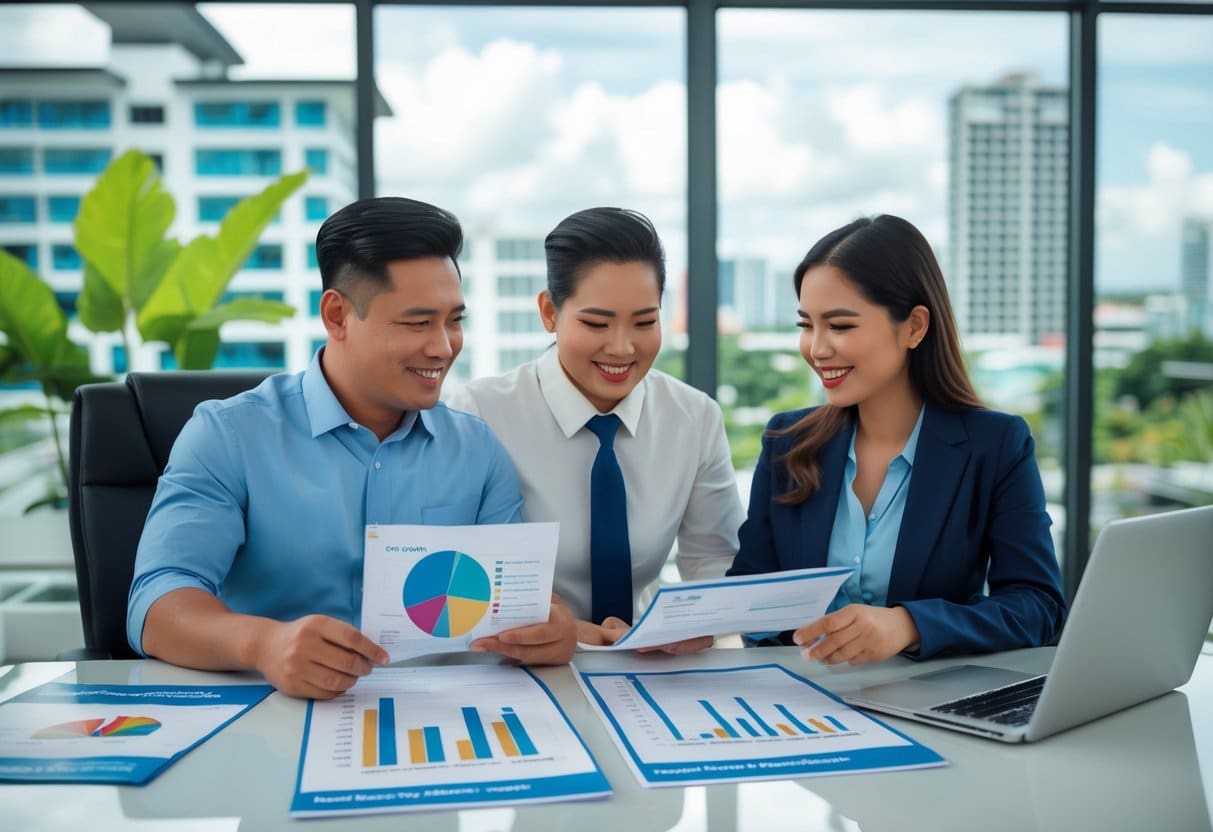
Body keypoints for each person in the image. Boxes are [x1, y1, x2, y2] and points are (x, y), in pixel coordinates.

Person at [128, 197, 576, 699]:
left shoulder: (477, 449)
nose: (443, 347)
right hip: (273, 718)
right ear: (338, 315)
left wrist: (547, 631)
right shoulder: (229, 436)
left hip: (436, 717)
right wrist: (263, 644)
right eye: (417, 322)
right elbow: (156, 604)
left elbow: (512, 609)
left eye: (454, 320)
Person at [727, 214, 1066, 664]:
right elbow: (750, 597)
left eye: (841, 326)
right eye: (806, 325)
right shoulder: (786, 443)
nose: (817, 348)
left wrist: (908, 625)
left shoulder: (996, 445)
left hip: (929, 703)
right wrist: (684, 626)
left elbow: (1038, 608)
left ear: (914, 327)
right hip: (802, 702)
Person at [446, 207, 745, 652]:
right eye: (596, 323)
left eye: (645, 322)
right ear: (549, 312)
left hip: (643, 660)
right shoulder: (480, 414)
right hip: (515, 664)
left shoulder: (693, 418)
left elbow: (714, 561)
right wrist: (570, 632)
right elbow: (453, 573)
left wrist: (698, 624)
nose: (622, 347)